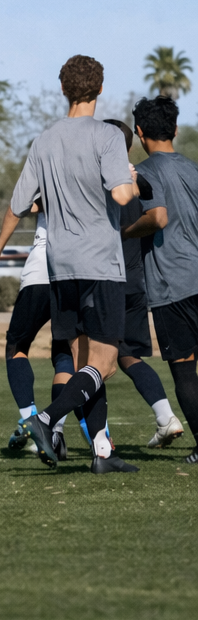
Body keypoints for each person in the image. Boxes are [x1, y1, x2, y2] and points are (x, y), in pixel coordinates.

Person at [18, 56, 140, 473]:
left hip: (59, 264)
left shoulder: (44, 139)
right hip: (100, 263)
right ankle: (48, 418)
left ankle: (102, 452)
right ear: (100, 90)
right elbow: (123, 197)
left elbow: (20, 203)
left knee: (85, 359)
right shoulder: (106, 135)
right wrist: (133, 180)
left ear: (64, 89)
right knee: (104, 362)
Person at [123, 96, 198, 465]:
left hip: (172, 286)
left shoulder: (144, 172)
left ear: (139, 133)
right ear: (176, 129)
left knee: (184, 370)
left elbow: (159, 218)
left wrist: (124, 232)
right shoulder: (192, 168)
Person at [103, 118, 183, 447]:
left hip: (106, 282)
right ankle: (166, 417)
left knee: (83, 356)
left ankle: (54, 428)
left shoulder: (105, 182)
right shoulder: (143, 180)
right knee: (129, 356)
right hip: (136, 282)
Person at [0, 201, 77, 459]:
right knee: (67, 351)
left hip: (42, 270)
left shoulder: (44, 160)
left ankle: (33, 423)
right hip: (79, 269)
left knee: (17, 345)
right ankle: (58, 430)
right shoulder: (97, 164)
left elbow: (18, 207)